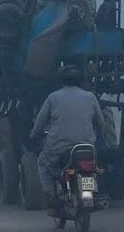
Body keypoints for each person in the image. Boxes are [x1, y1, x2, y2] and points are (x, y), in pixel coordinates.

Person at [29, 65, 105, 213]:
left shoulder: (53, 97)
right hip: (87, 147)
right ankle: (88, 195)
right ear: (80, 81)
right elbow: (101, 123)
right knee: (88, 169)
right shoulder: (90, 97)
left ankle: (52, 197)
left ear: (61, 81)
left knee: (43, 163)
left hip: (58, 148)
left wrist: (33, 135)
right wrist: (98, 136)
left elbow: (40, 122)